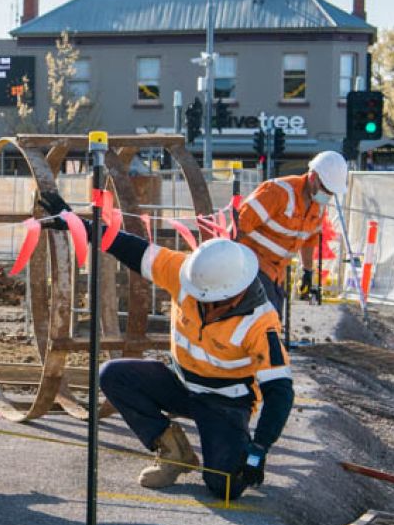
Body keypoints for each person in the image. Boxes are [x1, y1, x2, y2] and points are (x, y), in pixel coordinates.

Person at [40, 192, 293, 500]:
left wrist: (259, 448)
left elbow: (280, 391)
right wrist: (79, 226)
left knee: (225, 488)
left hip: (226, 403)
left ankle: (227, 453)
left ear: (234, 293)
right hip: (181, 383)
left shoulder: (261, 322)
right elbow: (131, 248)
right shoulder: (187, 272)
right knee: (113, 375)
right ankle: (174, 450)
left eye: (210, 298)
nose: (201, 301)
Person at [235, 150, 349, 314]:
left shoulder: (318, 206)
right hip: (253, 265)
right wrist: (235, 265)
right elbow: (241, 224)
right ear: (313, 177)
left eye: (331, 192)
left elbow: (309, 240)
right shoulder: (277, 192)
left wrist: (307, 271)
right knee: (264, 323)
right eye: (325, 189)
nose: (328, 195)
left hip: (276, 272)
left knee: (274, 321)